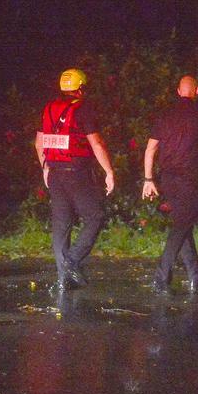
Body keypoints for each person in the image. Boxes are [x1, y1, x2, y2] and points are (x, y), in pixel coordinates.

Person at [142, 75, 198, 294]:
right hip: (188, 180)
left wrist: (148, 178)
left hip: (167, 179)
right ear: (197, 91)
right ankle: (161, 277)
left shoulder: (164, 116)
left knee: (183, 224)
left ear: (177, 91)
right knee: (182, 225)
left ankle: (196, 277)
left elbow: (150, 149)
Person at [36, 68, 116, 291]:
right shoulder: (84, 109)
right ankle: (71, 262)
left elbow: (38, 142)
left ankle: (64, 278)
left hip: (54, 173)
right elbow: (97, 144)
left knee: (61, 226)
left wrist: (45, 166)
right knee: (95, 216)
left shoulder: (49, 109)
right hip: (76, 172)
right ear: (81, 88)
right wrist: (109, 171)